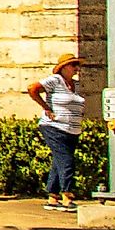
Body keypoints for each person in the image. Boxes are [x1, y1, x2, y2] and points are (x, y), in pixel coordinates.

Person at [28, 53, 86, 212]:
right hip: (55, 127)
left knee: (58, 162)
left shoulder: (76, 85)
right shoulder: (54, 80)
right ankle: (67, 195)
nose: (76, 69)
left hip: (72, 129)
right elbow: (32, 89)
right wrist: (46, 107)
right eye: (73, 65)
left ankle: (52, 197)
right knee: (66, 161)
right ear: (63, 68)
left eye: (77, 65)